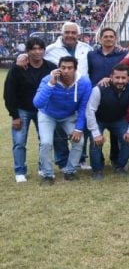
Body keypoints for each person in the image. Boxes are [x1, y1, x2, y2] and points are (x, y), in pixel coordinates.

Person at [4, 37, 57, 182]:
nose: (37, 51)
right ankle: (20, 170)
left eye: (40, 48)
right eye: (33, 49)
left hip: (44, 110)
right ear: (28, 51)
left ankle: (43, 167)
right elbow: (9, 93)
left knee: (45, 140)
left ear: (44, 51)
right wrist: (14, 115)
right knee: (19, 142)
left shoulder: (51, 68)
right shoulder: (18, 68)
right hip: (22, 110)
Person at [33, 56, 93, 184]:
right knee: (46, 143)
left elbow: (83, 107)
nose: (66, 71)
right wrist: (51, 84)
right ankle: (47, 174)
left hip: (69, 115)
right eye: (63, 67)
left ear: (75, 70)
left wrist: (78, 128)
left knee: (79, 141)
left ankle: (70, 171)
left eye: (70, 68)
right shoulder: (47, 80)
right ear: (58, 68)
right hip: (47, 114)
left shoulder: (85, 83)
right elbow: (37, 103)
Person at [85, 64, 129, 180]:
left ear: (128, 78)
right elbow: (90, 111)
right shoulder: (99, 89)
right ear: (111, 77)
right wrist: (96, 133)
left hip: (118, 120)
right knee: (96, 142)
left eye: (123, 78)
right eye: (117, 77)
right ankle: (97, 170)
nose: (120, 81)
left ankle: (120, 167)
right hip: (99, 119)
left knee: (128, 139)